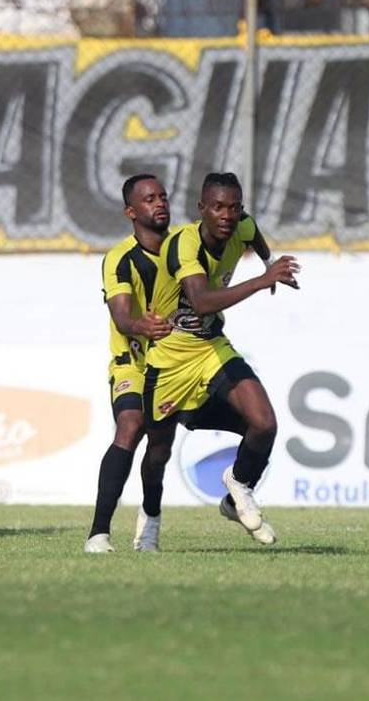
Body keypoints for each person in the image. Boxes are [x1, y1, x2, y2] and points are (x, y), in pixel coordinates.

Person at [142, 172, 300, 547]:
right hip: (171, 357)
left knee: (264, 423)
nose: (227, 215)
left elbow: (253, 231)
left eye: (233, 207)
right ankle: (149, 521)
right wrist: (264, 279)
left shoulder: (241, 224)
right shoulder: (184, 244)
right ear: (201, 209)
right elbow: (201, 301)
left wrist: (269, 260)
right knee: (158, 452)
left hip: (211, 346)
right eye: (217, 207)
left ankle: (236, 492)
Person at [84, 174, 175, 554]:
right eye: (149, 198)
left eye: (163, 196)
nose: (160, 203)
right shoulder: (120, 258)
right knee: (130, 425)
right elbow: (122, 318)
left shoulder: (182, 249)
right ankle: (98, 533)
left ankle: (149, 523)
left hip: (173, 366)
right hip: (131, 365)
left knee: (160, 449)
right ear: (131, 211)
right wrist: (143, 326)